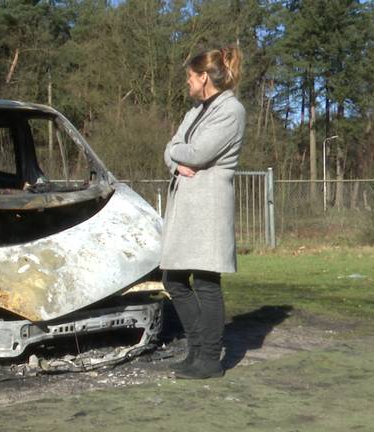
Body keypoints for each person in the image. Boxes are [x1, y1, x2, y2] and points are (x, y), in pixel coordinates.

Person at [161, 46, 246, 379]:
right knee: (174, 278)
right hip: (186, 204)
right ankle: (196, 349)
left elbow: (196, 152)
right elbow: (172, 149)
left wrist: (179, 155)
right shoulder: (196, 110)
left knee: (207, 281)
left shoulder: (231, 110)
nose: (187, 83)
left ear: (204, 77)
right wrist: (176, 157)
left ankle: (210, 359)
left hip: (209, 205)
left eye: (190, 77)